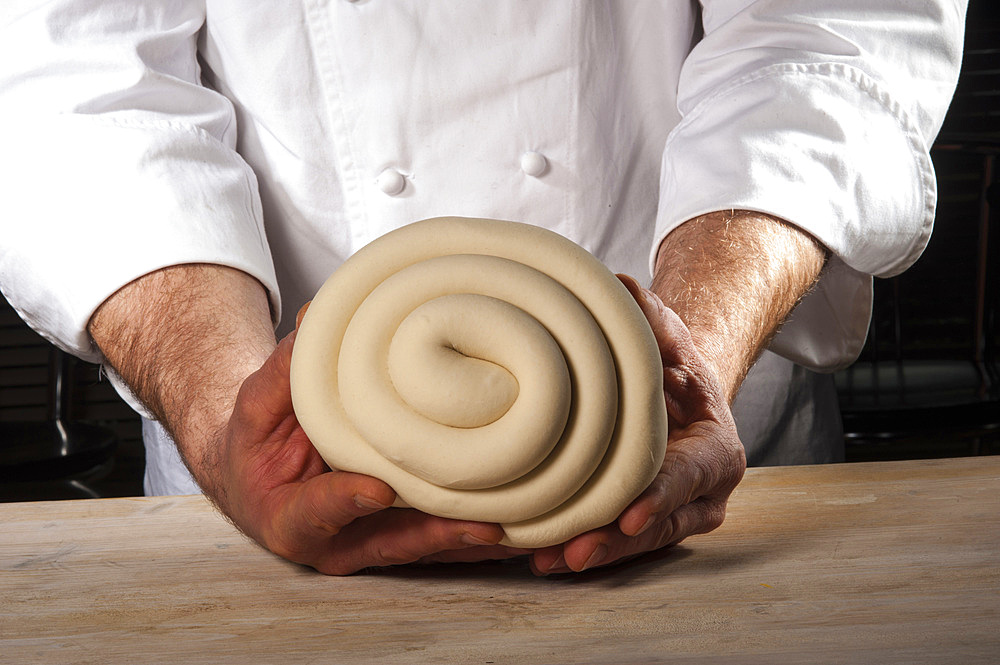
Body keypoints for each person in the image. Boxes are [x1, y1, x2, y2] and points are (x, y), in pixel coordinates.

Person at [0, 2, 966, 575]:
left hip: (702, 463)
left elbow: (821, 35)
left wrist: (678, 367)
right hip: (268, 479)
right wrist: (224, 422)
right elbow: (79, 87)